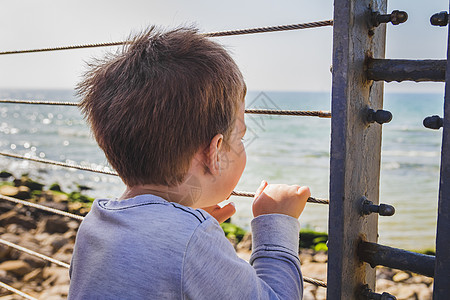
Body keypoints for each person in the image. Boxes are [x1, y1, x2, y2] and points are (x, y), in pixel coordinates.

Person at [68, 26, 311, 299]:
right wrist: (275, 222)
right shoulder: (192, 238)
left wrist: (184, 220)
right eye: (240, 137)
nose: (242, 144)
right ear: (215, 151)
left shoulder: (94, 225)